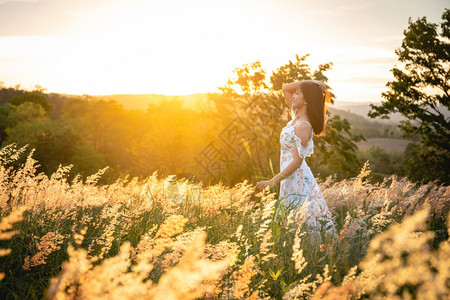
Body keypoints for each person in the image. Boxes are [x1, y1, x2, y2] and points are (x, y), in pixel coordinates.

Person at [256, 80, 337, 239]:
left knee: (303, 222)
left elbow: (296, 161)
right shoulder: (296, 117)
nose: (293, 95)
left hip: (298, 180)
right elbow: (285, 88)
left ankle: (312, 255)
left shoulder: (303, 126)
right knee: (292, 221)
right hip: (289, 178)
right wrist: (312, 82)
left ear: (306, 100)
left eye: (298, 93)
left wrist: (272, 181)